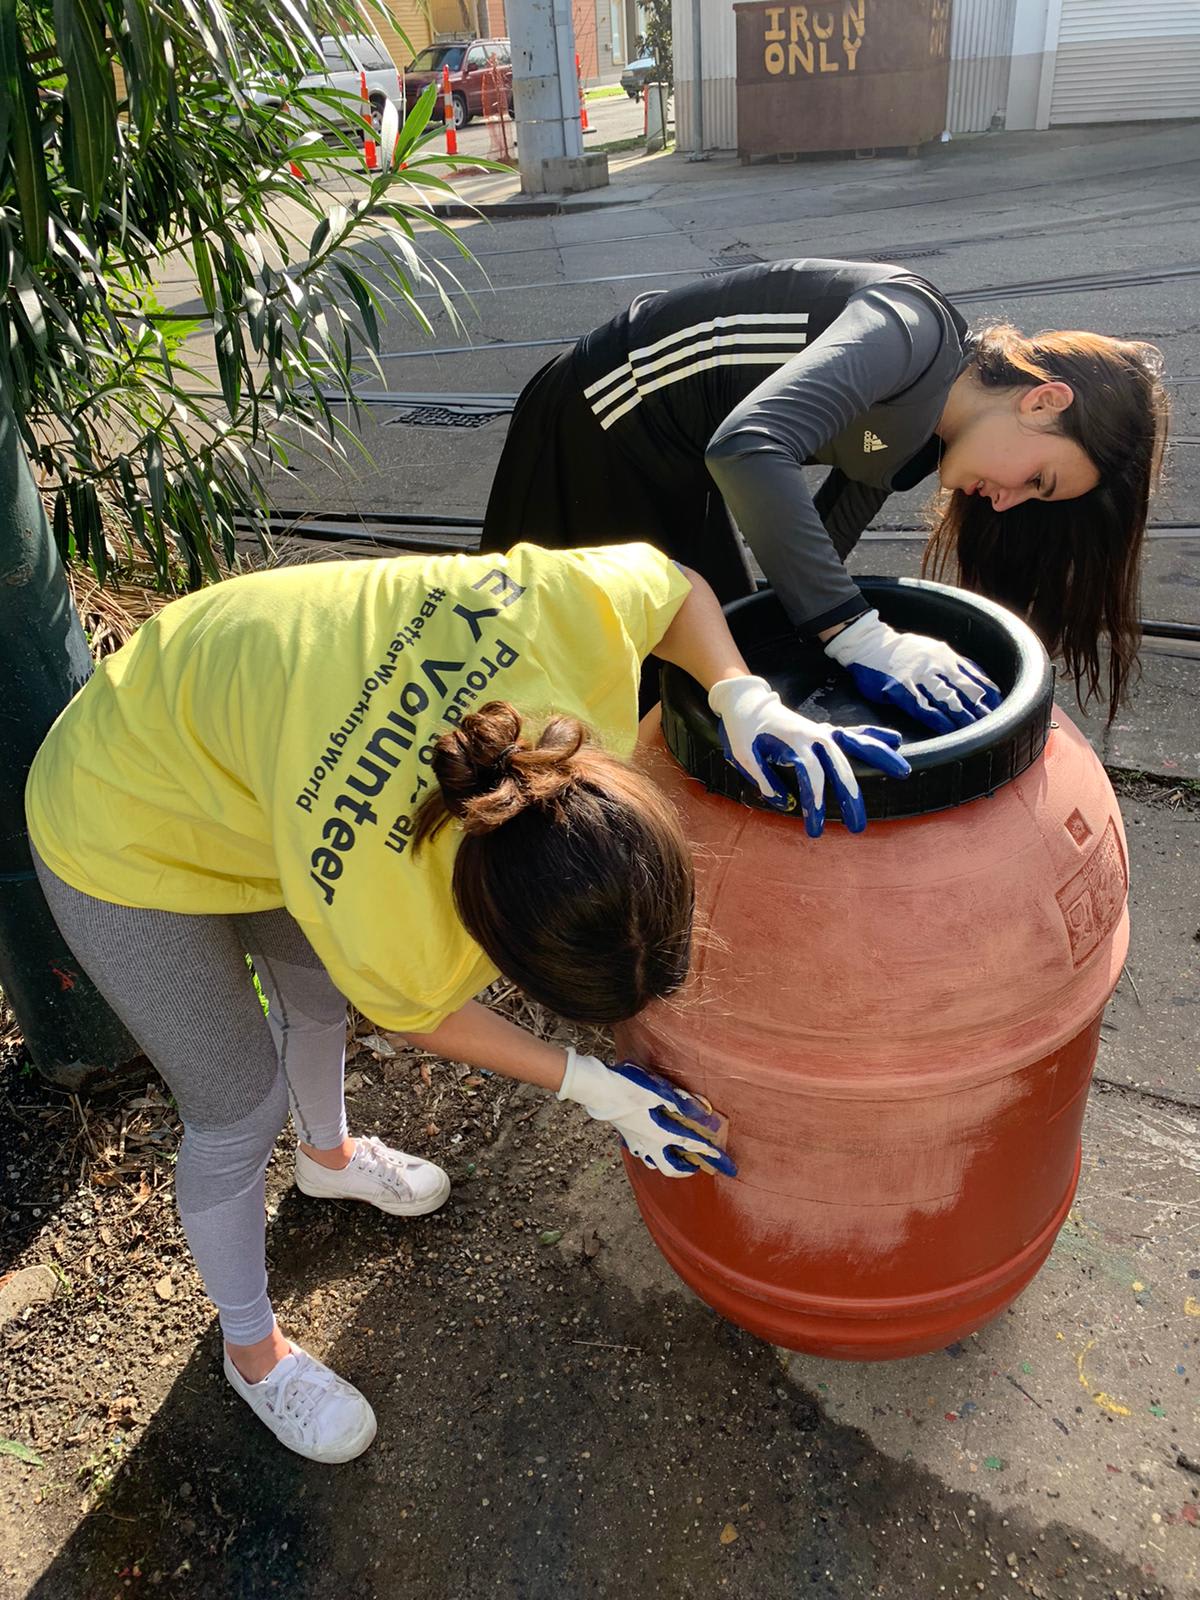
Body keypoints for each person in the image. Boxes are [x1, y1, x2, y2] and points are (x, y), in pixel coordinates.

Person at [24, 541, 910, 1465]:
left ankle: (327, 1157)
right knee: (238, 1106)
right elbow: (416, 1012)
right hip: (118, 816)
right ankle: (253, 1354)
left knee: (317, 999)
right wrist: (593, 1086)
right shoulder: (382, 895)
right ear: (488, 933)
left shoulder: (567, 622)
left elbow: (679, 584)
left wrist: (742, 694)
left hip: (243, 762)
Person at [481, 257, 1169, 727]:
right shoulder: (910, 330)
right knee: (576, 685)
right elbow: (749, 447)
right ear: (1044, 401)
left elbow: (822, 542)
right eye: (1039, 482)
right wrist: (858, 634)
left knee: (722, 648)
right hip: (599, 417)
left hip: (672, 462)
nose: (1009, 501)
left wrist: (822, 640)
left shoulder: (915, 441)